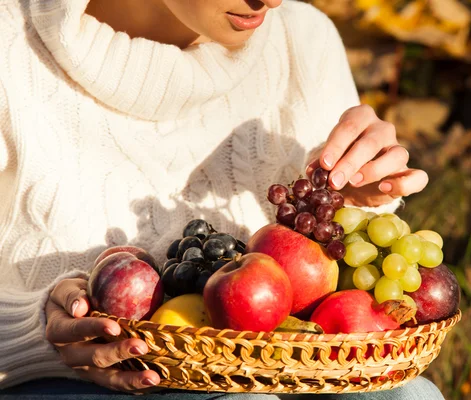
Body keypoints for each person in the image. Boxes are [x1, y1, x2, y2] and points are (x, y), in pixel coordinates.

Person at [0, 0, 439, 398]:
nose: (272, 1)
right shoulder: (10, 43)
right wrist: (38, 330)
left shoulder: (302, 41)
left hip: (275, 377)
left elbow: (331, 293)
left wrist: (357, 195)